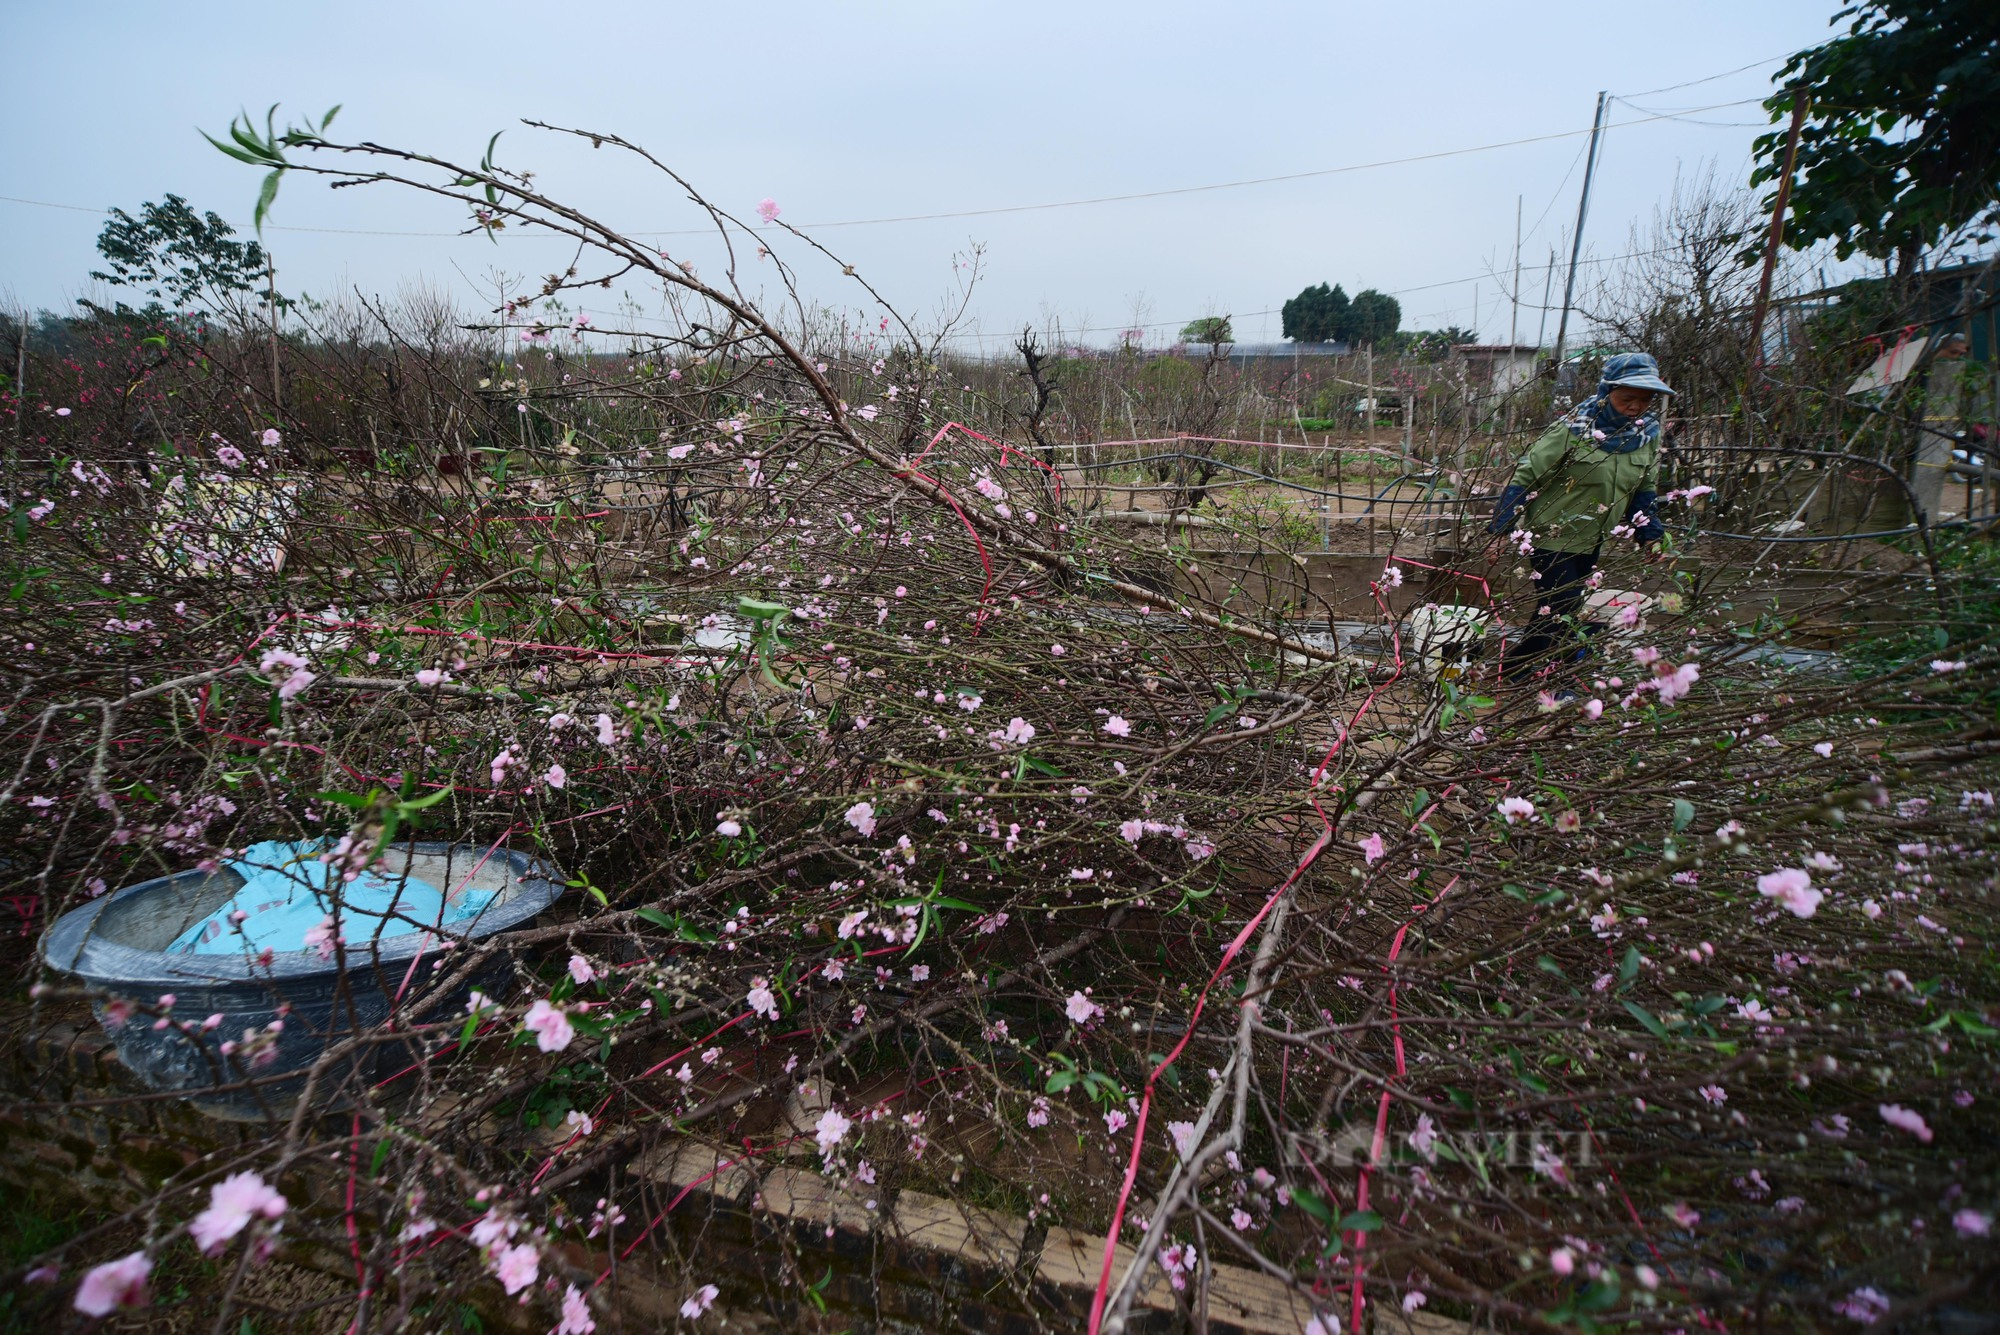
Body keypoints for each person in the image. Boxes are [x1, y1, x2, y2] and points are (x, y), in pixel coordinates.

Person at [1487, 352, 1674, 682]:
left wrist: (1651, 535)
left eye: (1644, 400)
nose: (1635, 407)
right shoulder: (1572, 430)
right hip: (1551, 534)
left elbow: (1643, 486)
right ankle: (1570, 677)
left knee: (1555, 610)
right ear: (1606, 392)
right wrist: (1502, 528)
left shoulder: (1646, 434)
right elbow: (1526, 475)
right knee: (1566, 608)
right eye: (1627, 398)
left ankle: (1511, 671)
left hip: (1593, 537)